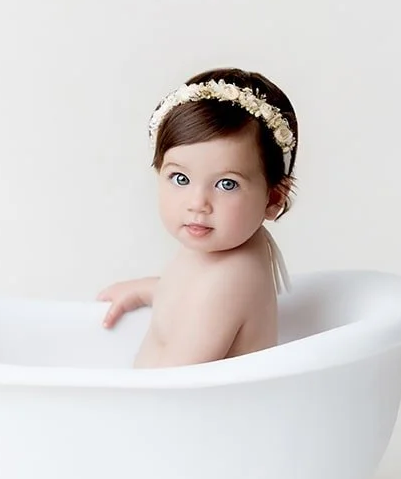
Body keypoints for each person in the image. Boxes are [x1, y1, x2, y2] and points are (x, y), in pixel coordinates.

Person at [97, 68, 298, 369]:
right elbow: (190, 297)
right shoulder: (219, 250)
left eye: (226, 184)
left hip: (185, 412)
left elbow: (175, 382)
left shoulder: (231, 280)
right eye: (180, 178)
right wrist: (146, 290)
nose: (197, 203)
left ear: (273, 198)